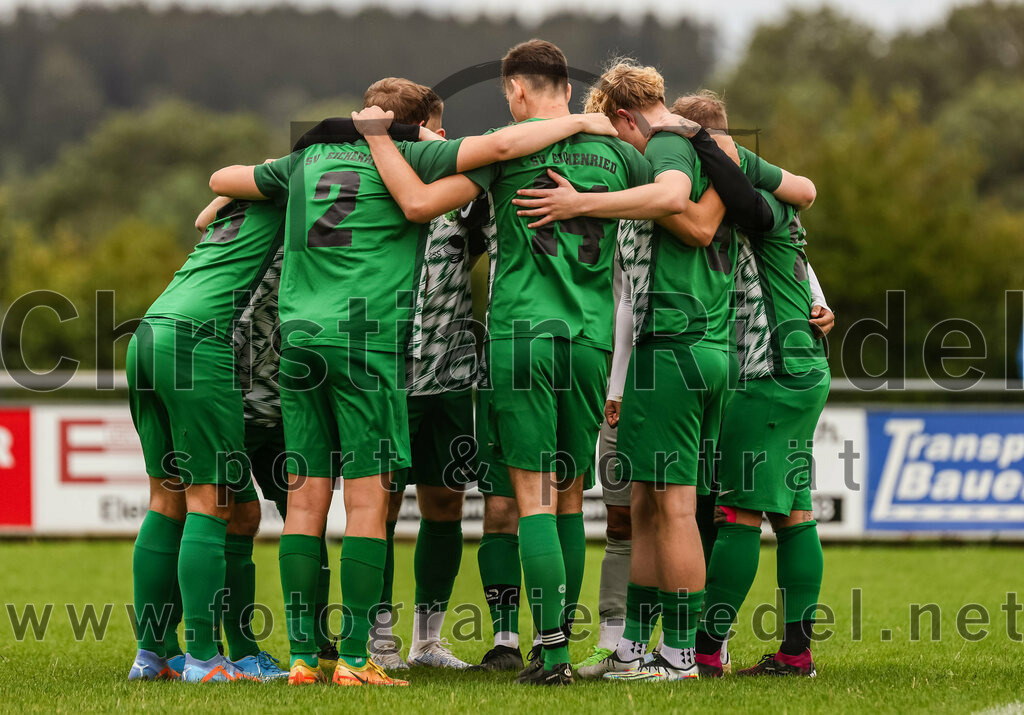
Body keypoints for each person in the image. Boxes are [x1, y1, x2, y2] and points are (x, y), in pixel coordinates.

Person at [209, 94, 616, 687]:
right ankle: (357, 653)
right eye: (436, 127)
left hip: (365, 355)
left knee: (324, 504)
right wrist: (579, 122)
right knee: (374, 507)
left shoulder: (312, 162)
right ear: (419, 128)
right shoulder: (424, 165)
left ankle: (333, 650)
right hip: (375, 355)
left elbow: (224, 179)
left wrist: (266, 173)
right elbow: (499, 148)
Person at [512, 59, 812, 682]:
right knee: (650, 503)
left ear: (625, 117)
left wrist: (583, 200)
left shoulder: (672, 146)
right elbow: (785, 197)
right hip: (704, 349)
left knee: (675, 507)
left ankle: (679, 653)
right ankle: (634, 649)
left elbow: (690, 218)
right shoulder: (701, 154)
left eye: (618, 134)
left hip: (676, 344)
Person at [663, 91, 833, 679]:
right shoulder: (762, 197)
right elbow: (796, 262)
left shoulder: (747, 194)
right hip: (797, 366)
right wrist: (818, 300)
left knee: (736, 514)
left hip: (774, 373)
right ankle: (795, 652)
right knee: (794, 516)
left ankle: (707, 650)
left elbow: (755, 210)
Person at [126, 194, 287, 683]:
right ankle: (203, 658)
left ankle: (152, 654)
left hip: (150, 331)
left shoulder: (246, 202)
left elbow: (202, 217)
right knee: (211, 501)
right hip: (199, 342)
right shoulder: (311, 195)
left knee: (167, 498)